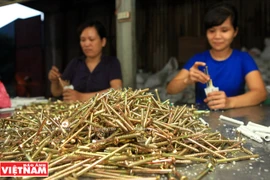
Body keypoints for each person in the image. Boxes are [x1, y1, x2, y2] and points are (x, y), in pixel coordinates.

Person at [167, 2, 267, 110]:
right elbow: (170, 89)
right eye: (212, 31)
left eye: (224, 30)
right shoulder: (198, 60)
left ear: (235, 32)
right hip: (202, 121)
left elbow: (261, 93)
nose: (217, 36)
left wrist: (230, 102)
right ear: (206, 33)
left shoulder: (243, 59)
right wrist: (186, 80)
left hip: (236, 120)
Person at [48, 20, 122, 102]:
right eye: (83, 40)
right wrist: (54, 81)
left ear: (103, 42)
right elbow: (57, 92)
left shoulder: (112, 63)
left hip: (103, 112)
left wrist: (82, 97)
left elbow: (117, 91)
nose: (86, 44)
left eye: (91, 39)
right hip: (76, 113)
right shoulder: (75, 63)